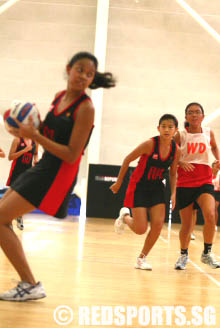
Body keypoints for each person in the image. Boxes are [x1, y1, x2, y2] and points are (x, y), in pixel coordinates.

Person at [0, 51, 116, 301]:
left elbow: (73, 154)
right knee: (1, 216)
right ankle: (28, 282)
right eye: (80, 70)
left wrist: (34, 136)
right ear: (68, 69)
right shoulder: (59, 97)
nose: (83, 76)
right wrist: (20, 126)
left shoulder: (86, 109)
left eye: (89, 74)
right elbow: (46, 131)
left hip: (58, 173)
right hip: (43, 166)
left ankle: (30, 284)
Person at [110, 114, 180, 270]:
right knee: (141, 229)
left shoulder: (176, 150)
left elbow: (173, 173)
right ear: (158, 128)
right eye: (164, 126)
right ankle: (125, 216)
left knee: (157, 225)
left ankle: (141, 259)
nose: (167, 129)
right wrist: (119, 182)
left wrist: (174, 193)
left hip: (156, 188)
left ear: (176, 130)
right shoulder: (150, 144)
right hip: (139, 186)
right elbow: (128, 159)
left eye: (170, 127)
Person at [174, 102, 220, 270]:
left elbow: (214, 147)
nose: (194, 115)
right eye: (190, 112)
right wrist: (180, 160)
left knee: (210, 215)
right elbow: (168, 151)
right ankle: (183, 255)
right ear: (186, 117)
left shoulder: (209, 133)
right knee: (187, 225)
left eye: (197, 112)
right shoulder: (180, 135)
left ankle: (207, 252)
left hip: (204, 180)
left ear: (202, 116)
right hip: (185, 183)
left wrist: (218, 159)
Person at [6, 137, 38, 230]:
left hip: (27, 172)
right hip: (16, 171)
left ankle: (19, 217)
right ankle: (8, 221)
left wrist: (36, 160)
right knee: (11, 197)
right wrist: (24, 150)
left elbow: (35, 154)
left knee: (23, 198)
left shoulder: (34, 141)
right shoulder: (17, 140)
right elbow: (10, 157)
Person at [212, 160, 220, 230]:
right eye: (215, 164)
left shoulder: (219, 174)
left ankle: (214, 225)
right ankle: (210, 223)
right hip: (211, 192)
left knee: (215, 208)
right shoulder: (210, 174)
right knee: (211, 209)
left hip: (218, 192)